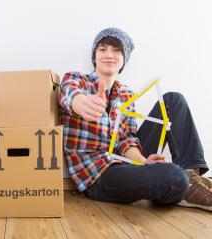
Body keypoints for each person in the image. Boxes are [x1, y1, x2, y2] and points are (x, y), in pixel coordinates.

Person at [58, 27, 212, 211]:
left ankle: (190, 177)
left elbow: (126, 139)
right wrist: (81, 103)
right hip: (99, 175)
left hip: (127, 162)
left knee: (173, 100)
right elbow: (69, 93)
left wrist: (142, 161)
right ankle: (177, 185)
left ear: (124, 60)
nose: (109, 55)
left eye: (117, 50)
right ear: (94, 56)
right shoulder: (76, 79)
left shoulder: (126, 94)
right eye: (103, 49)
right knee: (173, 175)